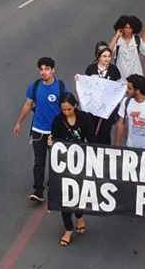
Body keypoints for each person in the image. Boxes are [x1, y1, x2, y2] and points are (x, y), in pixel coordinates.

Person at [13, 57, 66, 203]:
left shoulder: (60, 87)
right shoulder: (35, 86)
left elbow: (67, 107)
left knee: (56, 161)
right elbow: (28, 105)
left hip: (55, 132)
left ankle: (54, 185)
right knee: (39, 162)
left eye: (47, 69)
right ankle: (38, 191)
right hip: (38, 130)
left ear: (53, 70)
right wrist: (19, 123)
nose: (43, 72)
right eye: (41, 69)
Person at [48, 93, 93, 247]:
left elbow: (92, 140)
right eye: (63, 110)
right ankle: (68, 229)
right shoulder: (57, 121)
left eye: (69, 109)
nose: (66, 112)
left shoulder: (85, 119)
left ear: (75, 106)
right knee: (65, 197)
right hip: (64, 164)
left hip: (82, 163)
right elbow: (53, 140)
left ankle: (79, 216)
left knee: (79, 193)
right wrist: (50, 142)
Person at [84, 46, 122, 144]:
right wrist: (79, 79)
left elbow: (119, 85)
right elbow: (86, 84)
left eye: (109, 56)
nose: (107, 59)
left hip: (107, 109)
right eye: (104, 56)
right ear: (99, 57)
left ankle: (105, 153)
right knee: (91, 131)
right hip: (93, 107)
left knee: (105, 132)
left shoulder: (114, 69)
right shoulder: (91, 68)